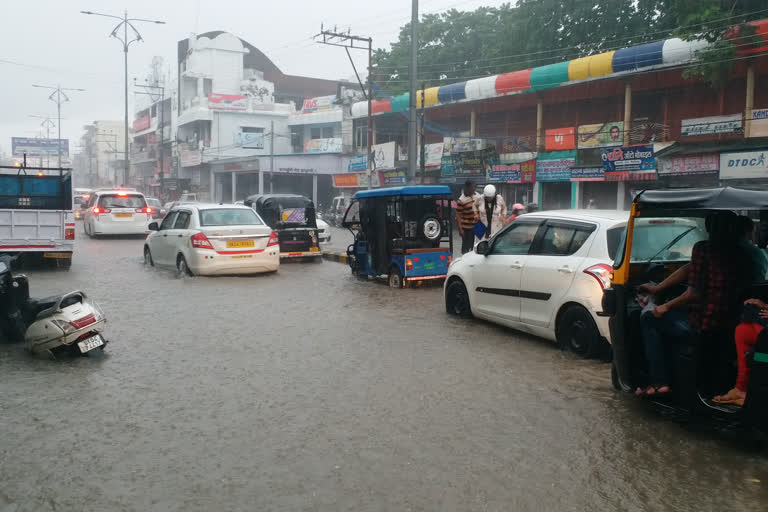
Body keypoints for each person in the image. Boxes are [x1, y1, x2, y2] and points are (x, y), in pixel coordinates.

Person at [636, 211, 752, 397]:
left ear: (708, 228)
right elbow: (690, 268)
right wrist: (658, 289)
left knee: (649, 317)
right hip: (731, 323)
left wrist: (665, 306)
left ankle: (659, 381)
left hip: (705, 325)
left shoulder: (704, 249)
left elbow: (694, 293)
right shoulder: (743, 254)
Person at [455, 180, 480, 254]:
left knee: (480, 243)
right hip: (467, 227)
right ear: (467, 188)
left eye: (475, 187)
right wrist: (460, 229)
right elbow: (458, 215)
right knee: (467, 246)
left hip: (477, 225)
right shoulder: (461, 200)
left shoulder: (477, 195)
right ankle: (465, 259)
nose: (474, 189)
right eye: (473, 187)